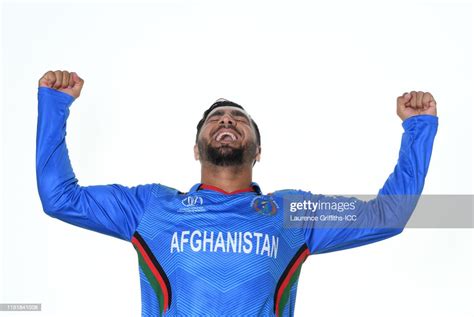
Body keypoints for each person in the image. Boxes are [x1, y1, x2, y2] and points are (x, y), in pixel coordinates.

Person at [36, 70, 438, 317]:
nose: (226, 120)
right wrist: (54, 105)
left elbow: (390, 215)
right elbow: (61, 199)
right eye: (215, 119)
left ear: (258, 151)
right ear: (196, 149)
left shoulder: (291, 212)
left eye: (238, 118)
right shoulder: (150, 207)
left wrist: (418, 129)